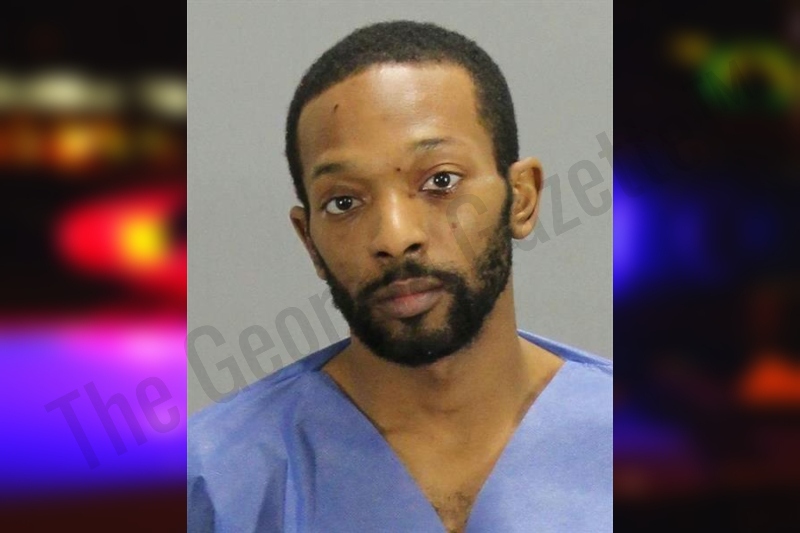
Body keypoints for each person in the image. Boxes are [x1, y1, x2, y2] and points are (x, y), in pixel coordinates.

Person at [188, 20, 611, 533]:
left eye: (441, 181)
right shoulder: (215, 484)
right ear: (309, 241)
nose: (394, 236)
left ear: (521, 198)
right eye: (344, 202)